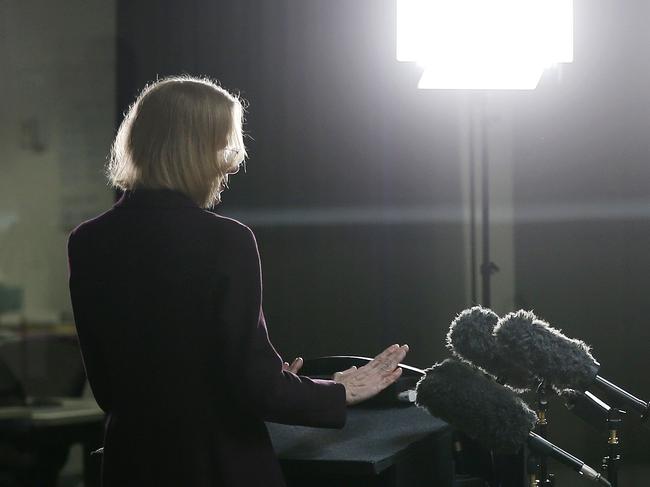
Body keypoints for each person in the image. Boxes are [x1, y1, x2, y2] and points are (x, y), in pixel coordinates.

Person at [67, 75, 409, 487]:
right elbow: (254, 386)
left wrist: (270, 379)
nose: (227, 165)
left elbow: (110, 387)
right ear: (199, 150)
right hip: (216, 464)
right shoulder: (226, 239)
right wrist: (337, 391)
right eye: (224, 146)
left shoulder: (87, 241)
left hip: (131, 463)